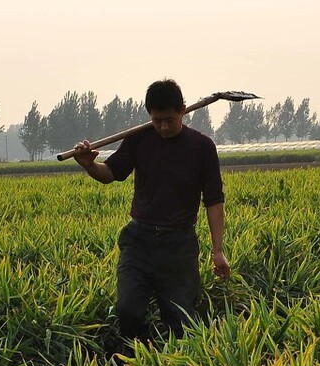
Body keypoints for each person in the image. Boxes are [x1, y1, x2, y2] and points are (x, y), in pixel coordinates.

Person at [72, 78, 230, 344]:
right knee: (128, 310)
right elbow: (110, 173)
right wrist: (89, 165)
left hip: (179, 245)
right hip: (139, 241)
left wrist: (218, 250)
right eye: (156, 120)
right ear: (149, 115)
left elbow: (214, 200)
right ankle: (138, 365)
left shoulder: (201, 147)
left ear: (183, 109)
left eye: (169, 119)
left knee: (182, 321)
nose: (163, 127)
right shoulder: (139, 139)